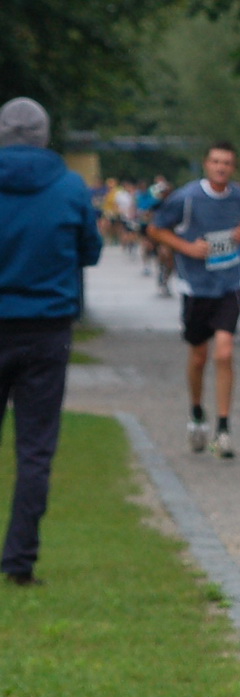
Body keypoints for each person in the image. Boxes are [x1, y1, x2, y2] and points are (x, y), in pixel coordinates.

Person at [0, 98, 103, 587]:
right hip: (46, 329)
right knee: (36, 450)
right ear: (44, 135)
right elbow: (91, 250)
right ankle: (20, 561)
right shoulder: (69, 188)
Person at [148, 142, 240, 459]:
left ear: (233, 168)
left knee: (224, 352)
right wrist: (186, 248)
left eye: (227, 162)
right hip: (196, 286)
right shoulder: (185, 198)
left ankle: (223, 429)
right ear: (206, 164)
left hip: (231, 281)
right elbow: (156, 229)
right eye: (215, 162)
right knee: (199, 356)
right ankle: (197, 413)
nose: (221, 167)